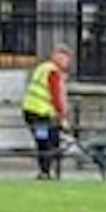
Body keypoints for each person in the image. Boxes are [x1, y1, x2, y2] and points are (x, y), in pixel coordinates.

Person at [23, 45, 73, 179]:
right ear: (59, 57)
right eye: (66, 59)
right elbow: (56, 96)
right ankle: (46, 171)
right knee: (46, 141)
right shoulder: (53, 72)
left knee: (44, 140)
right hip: (40, 114)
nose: (68, 63)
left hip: (32, 111)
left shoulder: (43, 67)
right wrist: (63, 118)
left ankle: (46, 170)